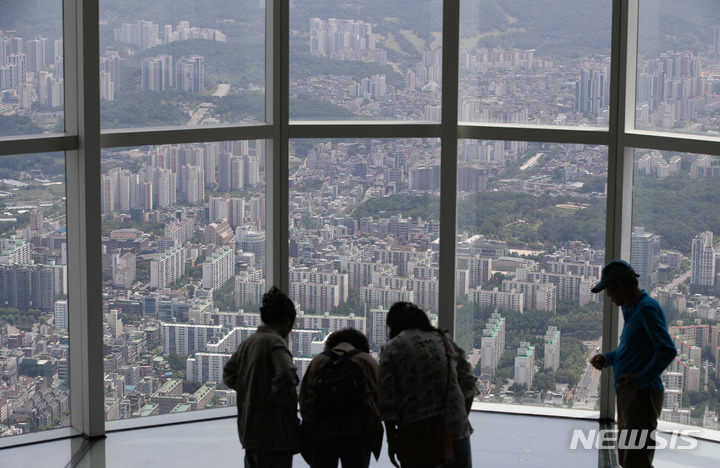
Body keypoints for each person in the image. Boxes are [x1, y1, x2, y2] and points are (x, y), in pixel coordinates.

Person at [588, 259, 677, 468]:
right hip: (629, 394)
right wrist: (608, 358)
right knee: (626, 457)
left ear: (619, 285)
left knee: (636, 460)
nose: (609, 296)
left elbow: (667, 349)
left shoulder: (647, 309)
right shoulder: (630, 308)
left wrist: (639, 379)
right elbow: (633, 350)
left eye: (609, 290)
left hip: (643, 395)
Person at [378, 302, 479, 468]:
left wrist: (392, 441)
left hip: (416, 436)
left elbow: (387, 403)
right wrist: (457, 418)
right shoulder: (444, 341)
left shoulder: (392, 349)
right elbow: (469, 384)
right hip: (456, 432)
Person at [222, 286, 300, 468]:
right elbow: (287, 373)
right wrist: (273, 398)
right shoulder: (275, 342)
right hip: (274, 435)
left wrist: (250, 387)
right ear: (287, 321)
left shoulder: (248, 342)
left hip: (250, 432)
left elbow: (228, 374)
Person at [299, 328, 384, 468]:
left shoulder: (318, 361)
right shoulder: (366, 361)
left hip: (321, 432)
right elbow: (379, 400)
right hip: (358, 432)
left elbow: (303, 400)